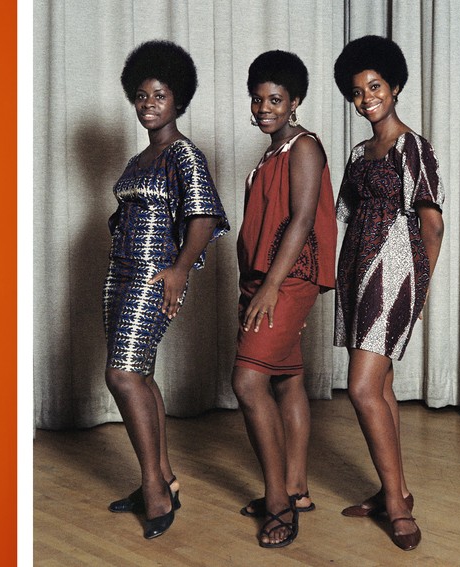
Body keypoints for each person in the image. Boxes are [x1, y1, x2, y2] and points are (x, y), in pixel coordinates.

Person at [103, 39, 229, 540]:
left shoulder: (184, 154)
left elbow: (203, 216)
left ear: (179, 100)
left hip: (155, 274)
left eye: (159, 95)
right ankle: (163, 479)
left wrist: (178, 272)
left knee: (122, 376)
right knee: (142, 377)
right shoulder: (138, 161)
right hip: (119, 274)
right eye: (141, 95)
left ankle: (154, 488)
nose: (148, 104)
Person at [332, 35, 445, 551]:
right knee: (380, 388)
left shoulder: (412, 146)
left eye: (375, 87)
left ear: (395, 87)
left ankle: (398, 508)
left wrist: (417, 289)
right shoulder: (359, 151)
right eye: (356, 92)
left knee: (360, 388)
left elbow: (432, 225)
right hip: (359, 267)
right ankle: (393, 489)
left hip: (396, 269)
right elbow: (346, 216)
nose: (366, 98)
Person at [231, 50, 337, 548]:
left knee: (248, 381)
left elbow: (299, 220)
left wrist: (270, 287)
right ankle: (296, 488)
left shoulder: (304, 147)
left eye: (275, 99)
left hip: (289, 278)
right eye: (258, 99)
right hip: (261, 279)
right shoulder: (269, 154)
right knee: (287, 380)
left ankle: (276, 501)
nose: (264, 108)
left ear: (295, 102)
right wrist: (249, 281)